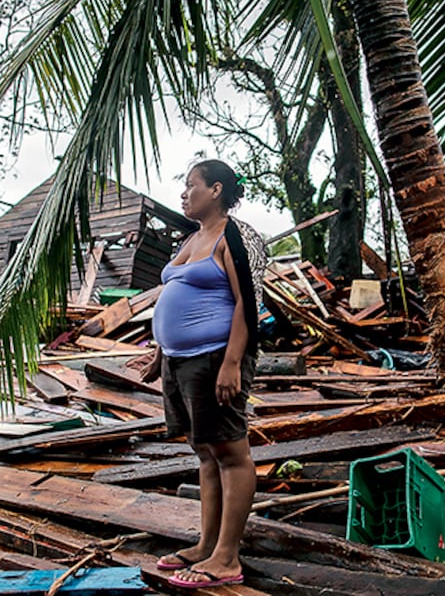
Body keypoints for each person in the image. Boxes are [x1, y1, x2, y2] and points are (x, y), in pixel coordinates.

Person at [130, 159, 267, 589]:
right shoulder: (192, 237)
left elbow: (248, 302)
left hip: (215, 359)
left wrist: (231, 363)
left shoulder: (235, 236)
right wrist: (160, 353)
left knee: (231, 453)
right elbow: (176, 293)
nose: (184, 194)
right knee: (206, 452)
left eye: (191, 186)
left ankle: (227, 556)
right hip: (181, 361)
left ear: (217, 190)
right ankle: (207, 545)